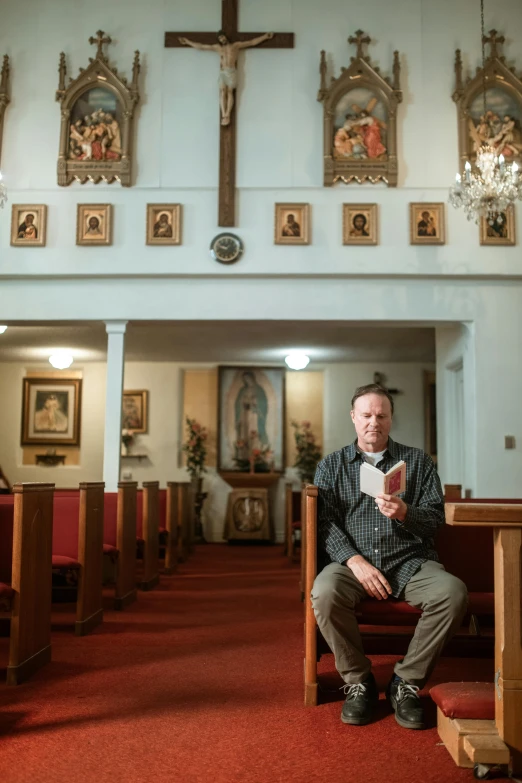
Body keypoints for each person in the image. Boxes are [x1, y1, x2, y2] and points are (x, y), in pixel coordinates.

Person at [311, 384, 468, 729]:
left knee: (452, 593)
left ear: (391, 418)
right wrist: (354, 561)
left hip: (409, 561)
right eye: (366, 415)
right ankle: (358, 681)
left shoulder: (418, 461)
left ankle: (406, 682)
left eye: (381, 415)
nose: (374, 422)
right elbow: (324, 525)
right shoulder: (332, 465)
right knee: (323, 592)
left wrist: (404, 512)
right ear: (353, 417)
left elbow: (434, 521)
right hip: (352, 564)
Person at [179, 30, 274, 126]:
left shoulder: (235, 46)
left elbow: (251, 42)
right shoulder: (218, 48)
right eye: (220, 38)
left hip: (231, 71)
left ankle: (228, 113)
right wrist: (187, 42)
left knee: (229, 91)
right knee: (222, 91)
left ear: (225, 36)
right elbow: (202, 46)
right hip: (223, 71)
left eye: (222, 37)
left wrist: (265, 37)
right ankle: (223, 113)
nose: (222, 39)